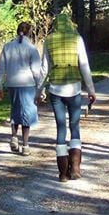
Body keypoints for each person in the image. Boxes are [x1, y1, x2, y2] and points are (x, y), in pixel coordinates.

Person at [39, 13, 97, 182]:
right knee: (75, 126)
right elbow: (84, 65)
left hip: (56, 89)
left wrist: (39, 90)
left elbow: (45, 68)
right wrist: (91, 90)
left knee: (60, 128)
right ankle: (76, 169)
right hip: (74, 88)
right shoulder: (77, 38)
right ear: (70, 24)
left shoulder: (49, 40)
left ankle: (63, 173)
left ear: (55, 25)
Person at [0, 21, 43, 155]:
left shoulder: (8, 46)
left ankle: (14, 137)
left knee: (15, 110)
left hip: (12, 83)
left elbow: (1, 67)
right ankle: (26, 145)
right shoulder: (32, 48)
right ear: (29, 32)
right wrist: (41, 89)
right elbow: (36, 71)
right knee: (27, 113)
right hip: (27, 84)